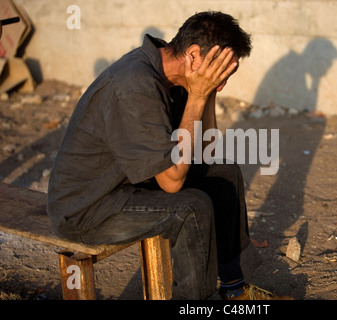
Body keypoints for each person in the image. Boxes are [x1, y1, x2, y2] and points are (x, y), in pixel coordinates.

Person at [47, 11, 293, 300]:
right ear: (192, 55)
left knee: (224, 174)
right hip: (86, 207)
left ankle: (233, 289)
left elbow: (205, 152)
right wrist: (198, 96)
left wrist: (207, 93)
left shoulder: (171, 72)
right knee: (190, 208)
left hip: (128, 183)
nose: (223, 80)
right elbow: (172, 182)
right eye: (220, 71)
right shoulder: (135, 85)